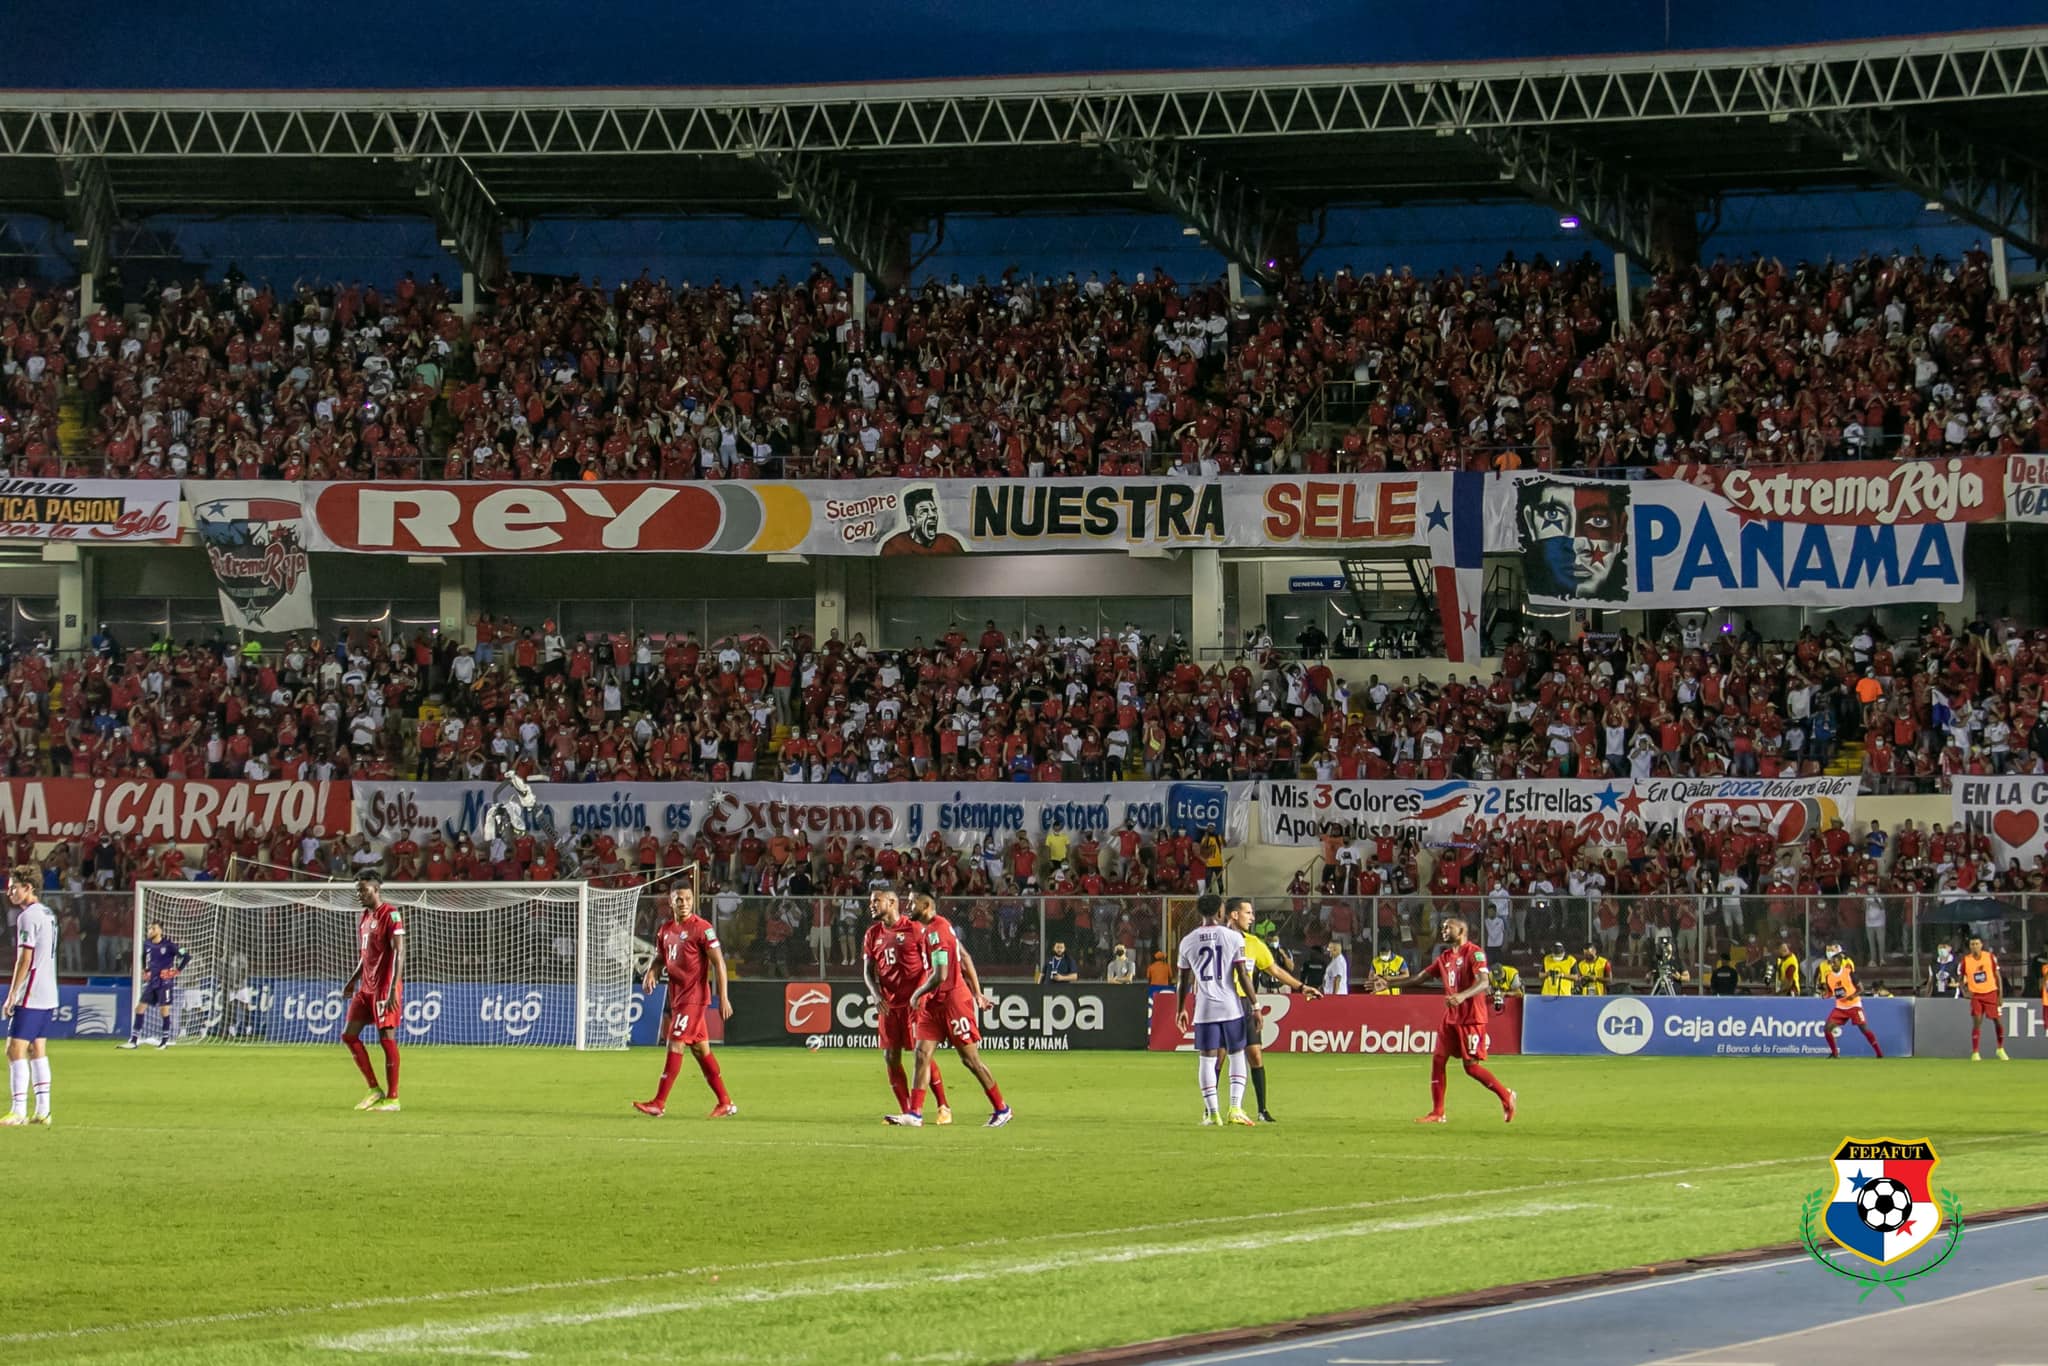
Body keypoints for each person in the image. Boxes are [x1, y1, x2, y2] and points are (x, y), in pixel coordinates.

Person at [1371, 915, 1516, 1124]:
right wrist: (1389, 982)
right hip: (1451, 1018)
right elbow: (1421, 977)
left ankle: (1506, 1096)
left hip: (1471, 1018)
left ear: (1462, 930)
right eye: (1443, 927)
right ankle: (1438, 1112)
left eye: (1448, 927)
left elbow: (1484, 982)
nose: (1444, 930)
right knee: (1438, 1059)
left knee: (1471, 1067)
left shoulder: (1475, 954)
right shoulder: (1445, 957)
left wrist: (1462, 995)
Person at [888, 892, 1010, 1128]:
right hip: (933, 1004)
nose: (908, 905)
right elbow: (964, 956)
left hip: (952, 1002)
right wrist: (977, 992)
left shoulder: (937, 932)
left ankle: (1002, 1108)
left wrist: (917, 992)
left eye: (912, 902)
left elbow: (941, 974)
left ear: (926, 905)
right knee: (921, 1054)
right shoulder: (930, 927)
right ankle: (915, 1113)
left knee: (970, 1060)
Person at [635, 887, 737, 1118]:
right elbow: (661, 958)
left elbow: (719, 963)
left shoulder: (702, 928)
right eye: (678, 899)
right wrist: (652, 971)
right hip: (678, 998)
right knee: (702, 1051)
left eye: (688, 899)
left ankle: (658, 1103)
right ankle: (725, 1102)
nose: (684, 903)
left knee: (675, 1042)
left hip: (694, 998)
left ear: (693, 901)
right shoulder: (665, 931)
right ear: (670, 902)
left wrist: (723, 997)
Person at [1226, 897, 1320, 1123]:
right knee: (1219, 1056)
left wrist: (1301, 987)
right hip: (1223, 1003)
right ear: (1234, 914)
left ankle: (1262, 1109)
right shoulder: (1218, 939)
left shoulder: (1254, 943)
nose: (1252, 917)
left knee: (1255, 1055)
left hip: (1245, 1003)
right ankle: (1212, 1109)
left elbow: (1275, 970)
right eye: (1248, 912)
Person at [860, 890, 950, 1124]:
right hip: (889, 1005)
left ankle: (943, 1106)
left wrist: (923, 993)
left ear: (891, 903)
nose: (871, 906)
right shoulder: (872, 934)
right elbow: (868, 971)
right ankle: (908, 1111)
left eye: (875, 901)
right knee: (891, 1056)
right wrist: (876, 994)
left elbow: (931, 965)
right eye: (870, 902)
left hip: (913, 1003)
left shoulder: (915, 929)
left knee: (921, 1054)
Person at [1175, 893, 1254, 1126]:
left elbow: (1183, 979)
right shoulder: (1233, 937)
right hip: (1231, 1007)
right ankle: (1235, 1108)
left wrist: (1180, 1008)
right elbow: (1242, 973)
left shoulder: (1187, 941)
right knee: (1237, 1055)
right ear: (1220, 912)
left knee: (1207, 1060)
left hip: (1205, 1009)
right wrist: (1256, 1004)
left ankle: (1212, 1113)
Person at [340, 874, 405, 1113]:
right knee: (348, 1036)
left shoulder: (391, 914)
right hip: (365, 988)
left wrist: (392, 989)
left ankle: (393, 1098)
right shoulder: (364, 917)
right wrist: (351, 981)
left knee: (386, 1039)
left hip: (384, 987)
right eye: (357, 891)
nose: (360, 895)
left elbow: (399, 952)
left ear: (376, 889)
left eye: (364, 890)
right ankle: (373, 1089)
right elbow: (365, 955)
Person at [2, 869, 56, 1126]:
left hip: (32, 992)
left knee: (14, 1049)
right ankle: (43, 1110)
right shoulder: (48, 913)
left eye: (14, 887)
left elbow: (25, 958)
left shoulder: (28, 916)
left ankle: (18, 1111)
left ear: (28, 888)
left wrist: (12, 994)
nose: (9, 892)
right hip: (49, 991)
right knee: (38, 1049)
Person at [121, 921, 190, 1049]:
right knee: (139, 1008)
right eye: (149, 929)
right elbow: (143, 957)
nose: (150, 931)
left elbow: (186, 956)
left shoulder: (170, 945)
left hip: (165, 982)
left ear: (160, 931)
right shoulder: (146, 944)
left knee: (164, 1010)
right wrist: (145, 970)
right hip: (152, 981)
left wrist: (177, 970)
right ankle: (133, 1041)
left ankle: (164, 1042)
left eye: (153, 928)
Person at [1820, 942, 1884, 1059]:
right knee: (1827, 1028)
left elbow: (1861, 989)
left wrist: (1853, 996)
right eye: (1831, 962)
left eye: (1835, 961)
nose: (1833, 964)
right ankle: (1835, 1053)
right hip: (1840, 1007)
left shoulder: (1849, 972)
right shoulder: (1829, 977)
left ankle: (1879, 1053)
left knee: (1864, 1029)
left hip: (1854, 1005)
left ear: (1840, 961)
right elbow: (1830, 992)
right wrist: (1825, 995)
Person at [1960, 935, 2009, 1062]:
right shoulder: (1966, 960)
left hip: (1991, 992)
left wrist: (2000, 995)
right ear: (1969, 946)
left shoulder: (1990, 957)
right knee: (1977, 1021)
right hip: (1976, 995)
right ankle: (1975, 1052)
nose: (1974, 946)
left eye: (1976, 943)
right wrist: (1964, 992)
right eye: (1972, 944)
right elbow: (1960, 979)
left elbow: (1998, 977)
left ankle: (2000, 1048)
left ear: (1981, 945)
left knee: (1997, 1021)